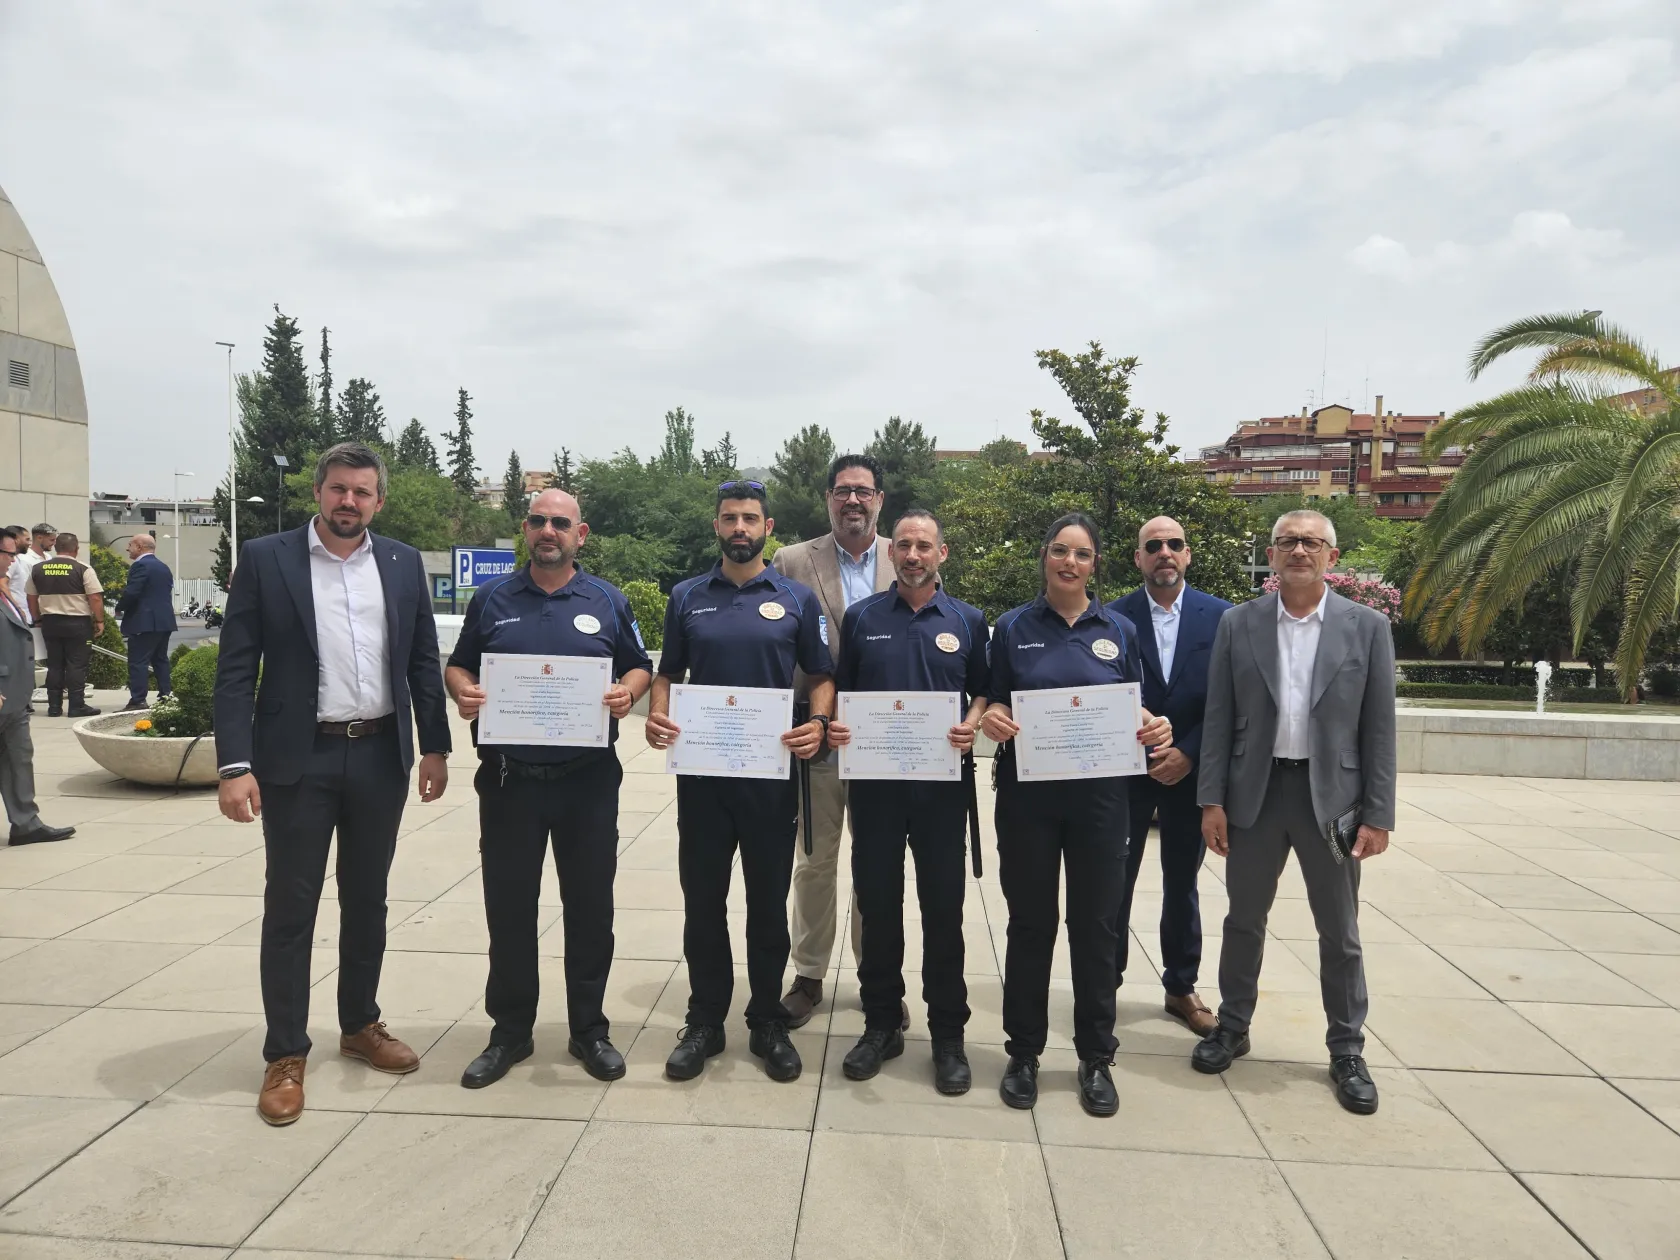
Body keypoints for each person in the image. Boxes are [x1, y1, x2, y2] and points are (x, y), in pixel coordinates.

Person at [213, 442, 452, 1127]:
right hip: (298, 761)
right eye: (339, 489)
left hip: (380, 756)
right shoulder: (267, 560)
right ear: (318, 492)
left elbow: (422, 663)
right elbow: (236, 670)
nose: (350, 501)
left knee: (369, 900)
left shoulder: (403, 564)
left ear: (379, 501)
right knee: (291, 908)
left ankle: (360, 1024)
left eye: (363, 492)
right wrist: (234, 765)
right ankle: (286, 1052)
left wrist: (433, 746)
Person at [445, 489, 653, 1090]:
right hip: (509, 780)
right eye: (538, 521)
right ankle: (510, 1031)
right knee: (509, 908)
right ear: (525, 528)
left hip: (586, 782)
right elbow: (459, 663)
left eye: (560, 523)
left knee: (590, 907)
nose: (548, 531)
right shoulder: (492, 598)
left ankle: (589, 1028)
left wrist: (628, 692)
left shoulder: (607, 601)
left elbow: (638, 664)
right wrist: (464, 689)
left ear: (579, 534)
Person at [1193, 509, 1397, 1116]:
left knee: (1339, 931)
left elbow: (1379, 729)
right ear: (1273, 554)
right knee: (1242, 921)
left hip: (1331, 801)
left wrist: (1378, 814)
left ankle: (1346, 1048)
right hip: (1256, 797)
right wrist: (1211, 800)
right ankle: (1232, 1025)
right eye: (1288, 542)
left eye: (1311, 542)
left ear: (1332, 556)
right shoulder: (1240, 624)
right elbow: (1217, 719)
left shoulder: (1367, 628)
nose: (1299, 550)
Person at [980, 513, 1172, 1117]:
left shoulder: (1118, 629)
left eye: (1082, 554)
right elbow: (992, 699)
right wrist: (988, 717)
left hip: (1101, 802)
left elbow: (1133, 707)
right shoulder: (1012, 628)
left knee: (1097, 928)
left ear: (1095, 564)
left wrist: (1152, 725)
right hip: (1028, 800)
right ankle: (1024, 1052)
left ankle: (1095, 1056)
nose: (1069, 562)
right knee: (1031, 925)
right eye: (1059, 551)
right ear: (1044, 557)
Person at [645, 480, 833, 1083]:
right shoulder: (686, 597)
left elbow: (822, 676)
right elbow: (667, 673)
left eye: (750, 518)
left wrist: (822, 723)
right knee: (703, 901)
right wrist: (658, 710)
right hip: (702, 777)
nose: (740, 527)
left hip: (770, 778)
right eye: (730, 518)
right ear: (717, 527)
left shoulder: (797, 598)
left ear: (768, 527)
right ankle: (704, 1020)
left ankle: (765, 1020)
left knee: (766, 904)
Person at [825, 507, 989, 1094]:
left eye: (926, 546)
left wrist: (972, 721)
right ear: (892, 554)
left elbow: (986, 692)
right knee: (878, 907)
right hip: (874, 792)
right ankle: (881, 1024)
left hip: (943, 793)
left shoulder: (968, 620)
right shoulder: (864, 617)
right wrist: (838, 726)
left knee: (944, 912)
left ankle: (948, 1035)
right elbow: (841, 693)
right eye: (906, 546)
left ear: (941, 554)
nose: (915, 555)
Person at [770, 453, 896, 1028]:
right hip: (813, 736)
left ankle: (877, 978)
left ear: (878, 500)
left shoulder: (908, 555)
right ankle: (810, 974)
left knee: (876, 863)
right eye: (843, 490)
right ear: (827, 498)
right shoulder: (793, 561)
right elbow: (773, 642)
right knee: (815, 861)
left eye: (863, 492)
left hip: (884, 741)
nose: (853, 500)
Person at [1108, 517, 1232, 1035]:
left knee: (1183, 883)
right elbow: (1102, 696)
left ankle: (1181, 987)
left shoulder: (1223, 618)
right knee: (1114, 882)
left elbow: (1231, 702)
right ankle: (1103, 984)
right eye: (1153, 546)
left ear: (1187, 554)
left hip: (1191, 774)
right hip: (1125, 774)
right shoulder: (1112, 618)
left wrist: (1187, 751)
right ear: (1137, 558)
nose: (1165, 553)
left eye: (1174, 545)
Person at [0, 575, 73, 845]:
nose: (12, 561)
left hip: (15, 695)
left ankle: (26, 824)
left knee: (19, 758)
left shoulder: (5, 590)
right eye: (8, 553)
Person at [25, 532, 102, 718]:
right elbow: (95, 597)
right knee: (76, 665)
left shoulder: (38, 568)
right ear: (76, 549)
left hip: (50, 622)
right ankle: (76, 706)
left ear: (57, 547)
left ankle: (54, 707)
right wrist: (99, 620)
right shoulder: (83, 568)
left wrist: (37, 618)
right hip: (77, 623)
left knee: (55, 665)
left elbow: (31, 597)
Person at [117, 533, 177, 710]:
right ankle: (166, 696)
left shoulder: (140, 565)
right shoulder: (163, 567)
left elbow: (133, 592)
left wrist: (120, 606)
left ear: (140, 547)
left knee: (138, 662)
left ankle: (138, 700)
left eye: (130, 545)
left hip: (143, 622)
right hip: (163, 621)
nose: (128, 548)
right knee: (160, 660)